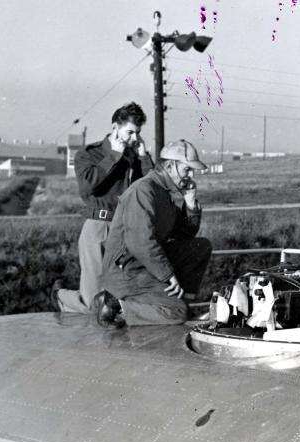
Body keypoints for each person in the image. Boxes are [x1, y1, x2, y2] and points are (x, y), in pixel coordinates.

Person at [95, 139, 213, 328]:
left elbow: (183, 236)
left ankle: (180, 301)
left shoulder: (162, 192)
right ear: (170, 166)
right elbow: (141, 242)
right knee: (177, 313)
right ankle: (114, 304)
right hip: (127, 270)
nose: (191, 176)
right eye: (187, 169)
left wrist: (190, 203)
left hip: (143, 264)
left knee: (200, 247)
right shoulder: (143, 190)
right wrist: (167, 274)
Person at [53, 102, 153, 313]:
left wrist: (144, 158)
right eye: (130, 132)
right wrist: (114, 156)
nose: (134, 138)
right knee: (94, 302)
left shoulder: (134, 157)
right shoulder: (89, 154)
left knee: (119, 299)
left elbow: (150, 187)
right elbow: (88, 186)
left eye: (138, 133)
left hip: (126, 229)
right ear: (115, 127)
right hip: (99, 226)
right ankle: (62, 297)